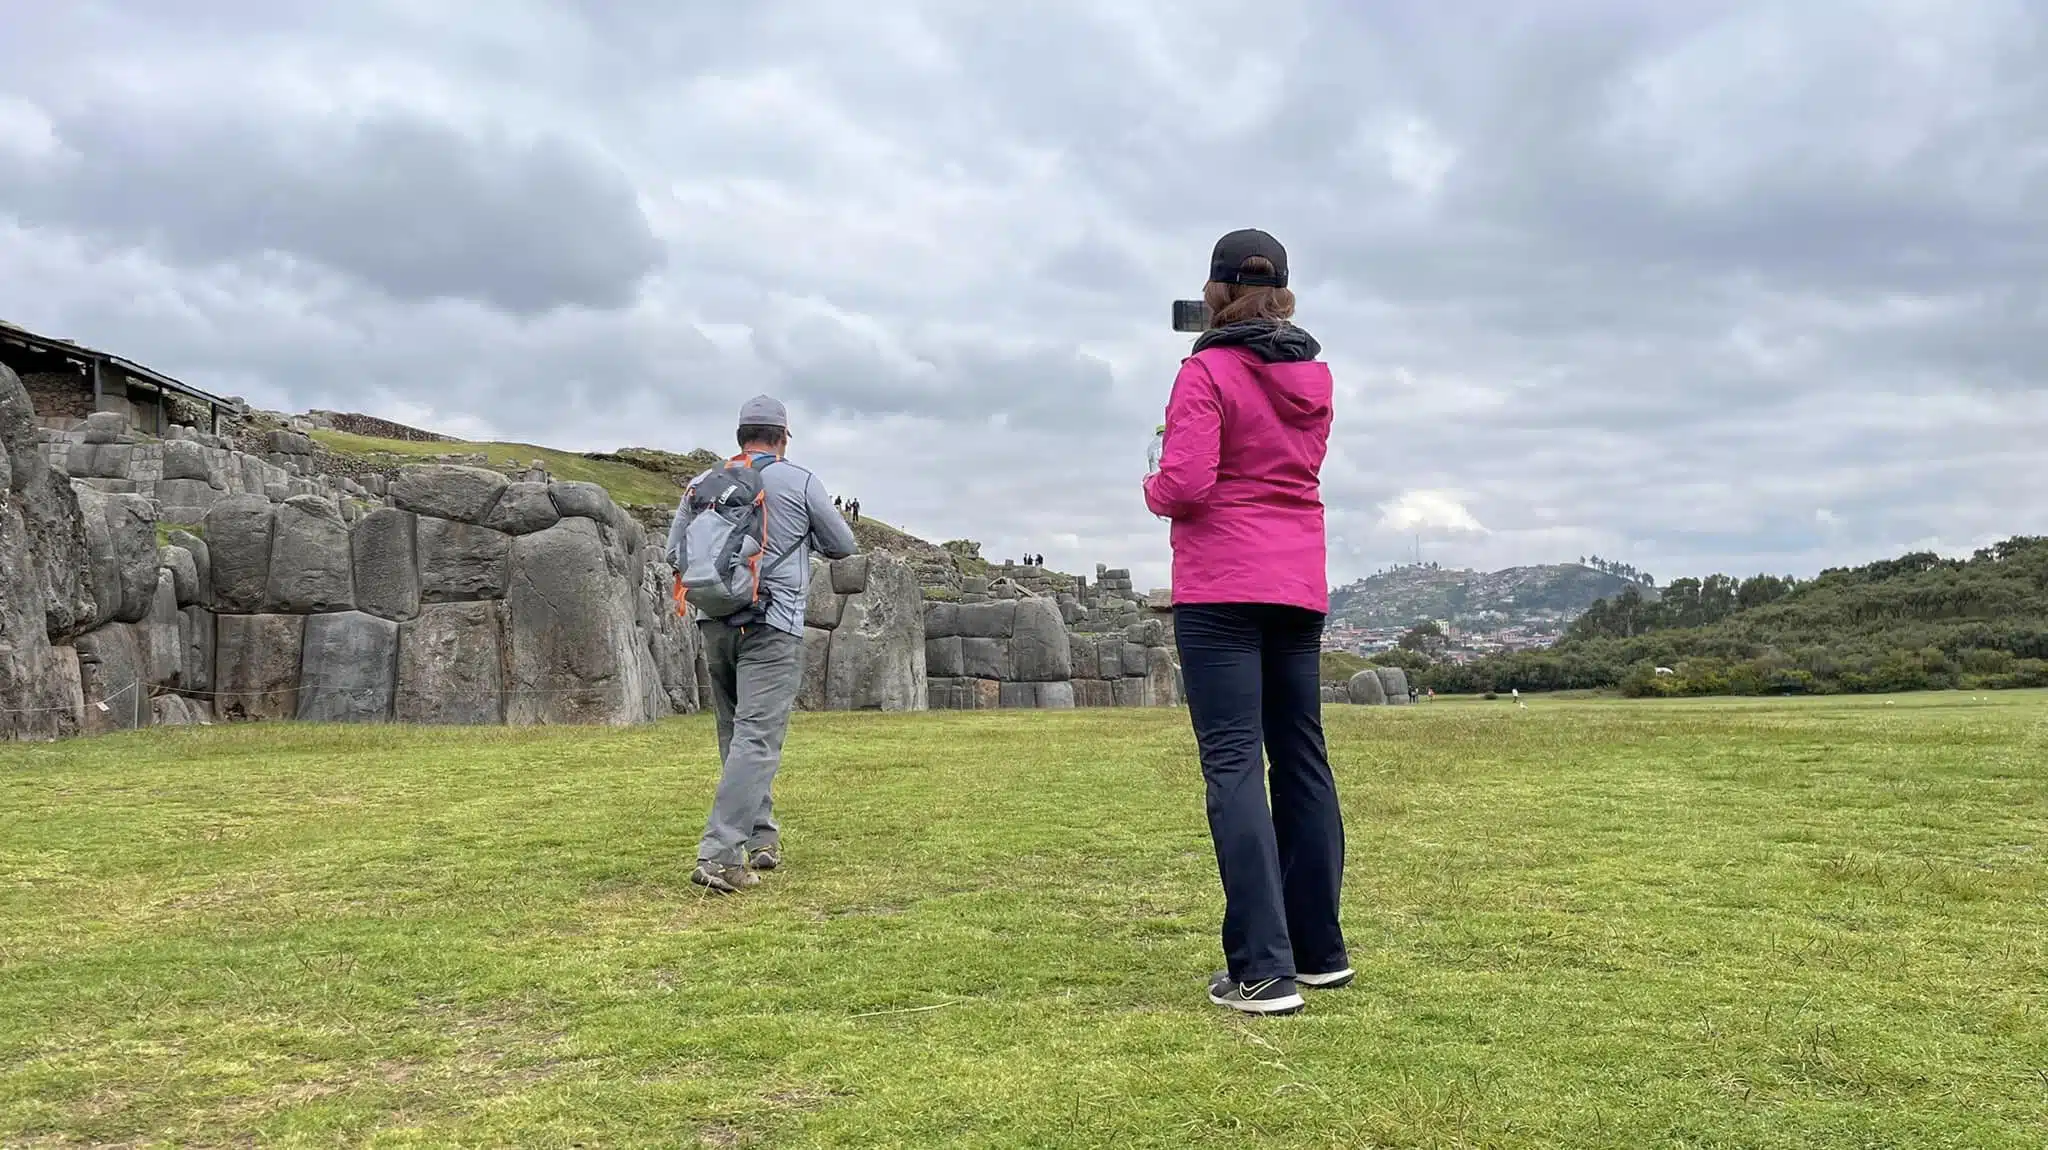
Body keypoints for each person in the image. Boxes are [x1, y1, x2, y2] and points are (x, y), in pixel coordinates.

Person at [1143, 228, 1346, 1016]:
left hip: (1223, 583)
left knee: (1232, 766)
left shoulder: (1205, 371)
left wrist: (1152, 484)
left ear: (1217, 293)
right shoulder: (1315, 375)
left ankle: (1262, 968)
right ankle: (1319, 948)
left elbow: (1188, 484)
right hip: (1298, 581)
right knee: (1301, 758)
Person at [667, 395, 858, 894]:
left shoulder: (701, 483)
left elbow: (674, 553)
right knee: (758, 737)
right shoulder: (798, 481)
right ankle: (719, 854)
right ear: (782, 437)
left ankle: (762, 838)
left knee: (736, 735)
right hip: (773, 622)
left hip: (714, 619)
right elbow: (843, 544)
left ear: (740, 436)